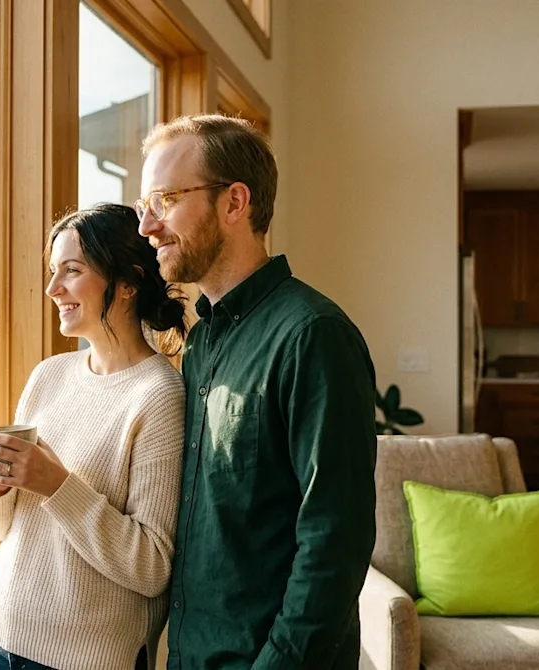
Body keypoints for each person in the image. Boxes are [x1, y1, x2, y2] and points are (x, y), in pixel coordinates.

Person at [136, 114, 378, 669]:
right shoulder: (200, 343)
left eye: (165, 199)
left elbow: (335, 541)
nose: (147, 225)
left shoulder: (312, 336)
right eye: (145, 203)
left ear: (234, 203)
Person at [0, 203, 188, 670]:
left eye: (71, 270)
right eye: (53, 271)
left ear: (127, 282)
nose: (52, 289)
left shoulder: (159, 395)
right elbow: (1, 527)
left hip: (79, 659)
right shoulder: (49, 375)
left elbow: (152, 568)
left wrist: (54, 483)